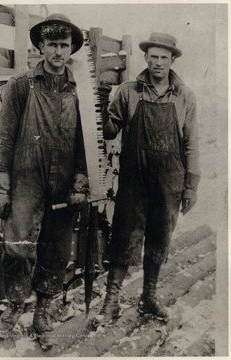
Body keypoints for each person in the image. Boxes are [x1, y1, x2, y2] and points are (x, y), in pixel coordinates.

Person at [0, 14, 89, 339]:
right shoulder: (21, 86)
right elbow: (3, 141)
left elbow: (85, 145)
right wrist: (2, 190)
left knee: (56, 250)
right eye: (52, 45)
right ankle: (15, 306)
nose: (58, 52)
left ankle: (44, 310)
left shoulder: (80, 92)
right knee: (18, 248)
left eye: (64, 45)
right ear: (41, 47)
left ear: (72, 48)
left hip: (63, 185)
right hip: (25, 183)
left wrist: (79, 184)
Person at [97, 32, 200, 324]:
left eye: (163, 57)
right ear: (145, 58)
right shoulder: (129, 91)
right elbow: (108, 130)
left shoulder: (185, 96)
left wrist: (191, 185)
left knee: (159, 238)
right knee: (123, 236)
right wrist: (102, 104)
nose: (157, 63)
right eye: (153, 56)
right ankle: (111, 303)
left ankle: (148, 298)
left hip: (170, 180)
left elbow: (191, 143)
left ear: (172, 60)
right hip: (134, 179)